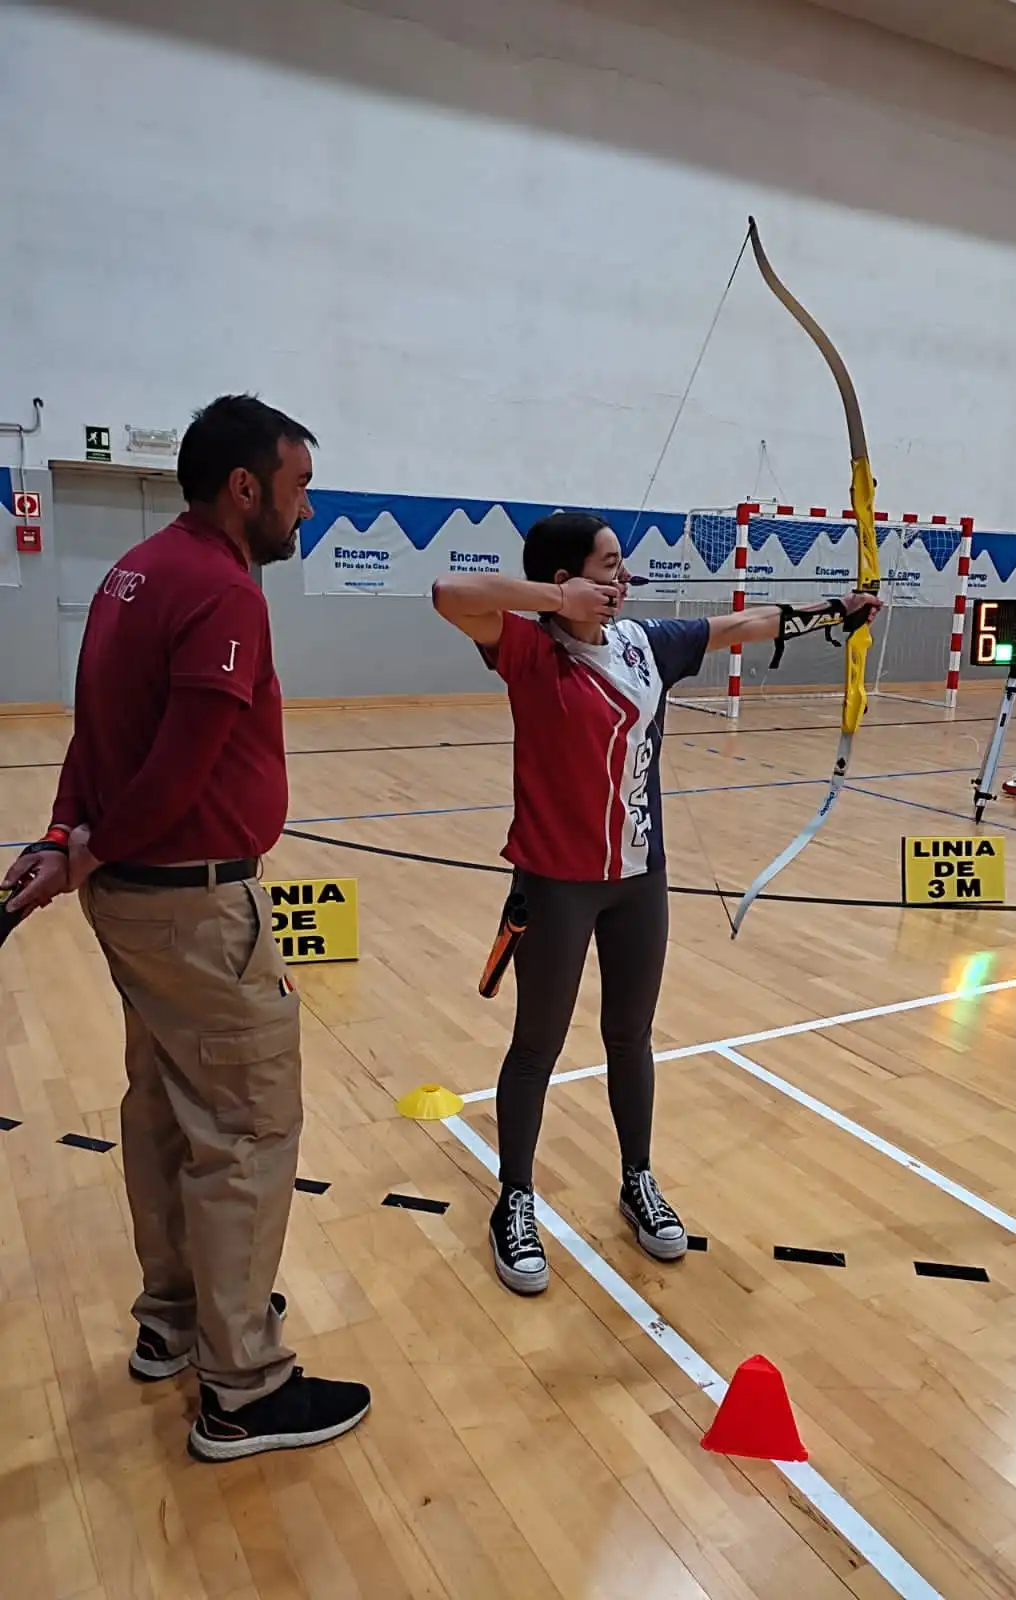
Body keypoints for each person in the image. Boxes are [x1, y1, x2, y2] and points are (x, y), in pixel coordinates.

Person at [1, 395, 370, 1460]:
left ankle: (174, 1321)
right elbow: (175, 768)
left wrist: (68, 831)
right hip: (194, 906)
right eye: (298, 485)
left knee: (165, 1107)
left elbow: (98, 737)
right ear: (245, 487)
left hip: (139, 903)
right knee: (250, 1125)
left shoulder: (132, 574)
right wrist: (88, 847)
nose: (307, 508)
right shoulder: (223, 591)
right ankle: (243, 1386)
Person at [432, 510, 882, 1294]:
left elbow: (741, 622)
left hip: (640, 881)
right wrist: (556, 600)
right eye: (608, 567)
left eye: (622, 566)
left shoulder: (645, 645)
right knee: (536, 1046)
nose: (623, 579)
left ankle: (637, 1178)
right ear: (566, 576)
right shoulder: (531, 651)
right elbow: (447, 590)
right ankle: (514, 1199)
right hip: (558, 881)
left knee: (630, 1036)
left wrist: (830, 611)